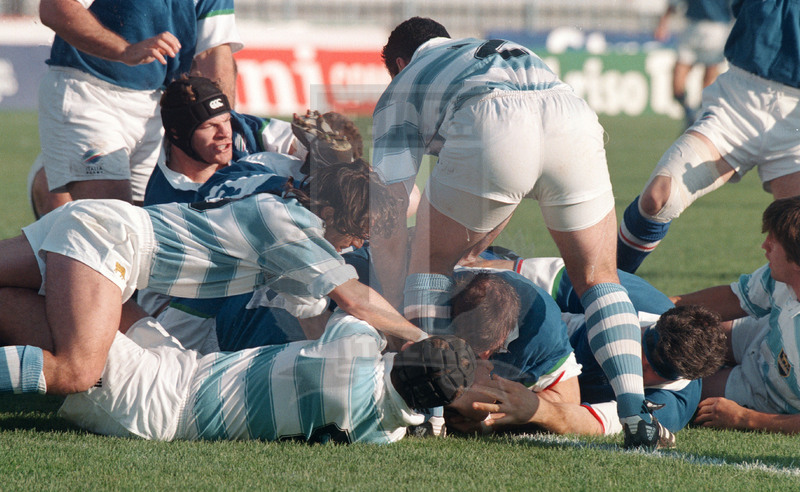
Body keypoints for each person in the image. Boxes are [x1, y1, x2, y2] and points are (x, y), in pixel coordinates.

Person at [369, 17, 662, 449]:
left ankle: (427, 414)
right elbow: (505, 192)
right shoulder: (487, 48)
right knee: (600, 277)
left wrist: (391, 308)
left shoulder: (403, 84)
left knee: (427, 262)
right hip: (570, 115)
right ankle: (636, 415)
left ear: (397, 63)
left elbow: (389, 208)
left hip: (491, 117)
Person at [0, 160, 428, 398]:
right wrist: (423, 339)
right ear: (331, 214)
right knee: (77, 373)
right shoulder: (292, 230)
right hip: (111, 240)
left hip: (100, 226)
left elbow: (314, 331)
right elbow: (356, 299)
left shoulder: (293, 231)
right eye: (355, 234)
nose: (353, 247)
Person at [49, 305, 477, 443]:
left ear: (407, 351)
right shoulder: (385, 436)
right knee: (125, 309)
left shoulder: (355, 351)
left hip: (162, 400)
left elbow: (357, 311)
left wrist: (413, 332)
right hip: (185, 370)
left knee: (34, 309)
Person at [617, 0, 800, 274]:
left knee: (794, 243)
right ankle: (598, 292)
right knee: (658, 198)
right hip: (738, 100)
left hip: (794, 119)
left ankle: (775, 314)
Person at [30, 0, 242, 217]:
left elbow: (214, 54)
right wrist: (124, 49)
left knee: (152, 227)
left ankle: (52, 175)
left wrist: (225, 127)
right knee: (114, 225)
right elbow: (54, 8)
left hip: (157, 107)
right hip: (88, 92)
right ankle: (54, 181)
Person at [468, 305, 726, 441]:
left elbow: (591, 423)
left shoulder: (667, 407)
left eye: (657, 369)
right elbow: (562, 275)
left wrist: (536, 409)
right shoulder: (633, 300)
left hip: (541, 379)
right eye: (646, 346)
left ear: (680, 378)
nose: (640, 361)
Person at [672, 196, 800, 434]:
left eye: (774, 241)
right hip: (760, 334)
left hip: (767, 392)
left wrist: (745, 418)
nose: (764, 245)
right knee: (686, 330)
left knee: (677, 387)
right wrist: (662, 307)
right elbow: (735, 299)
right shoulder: (781, 277)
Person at [654, 0, 733, 128]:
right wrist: (663, 23)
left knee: (707, 81)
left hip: (716, 28)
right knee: (679, 79)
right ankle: (691, 114)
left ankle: (698, 117)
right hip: (694, 26)